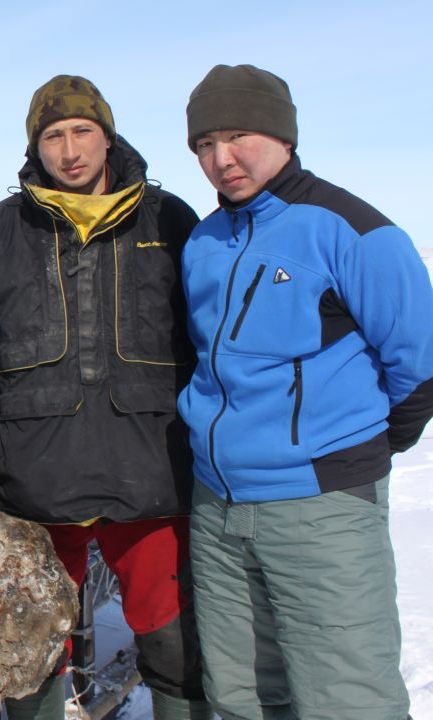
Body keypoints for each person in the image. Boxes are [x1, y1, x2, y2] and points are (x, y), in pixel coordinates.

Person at [0, 75, 212, 719]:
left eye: (82, 131)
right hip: (34, 480)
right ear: (37, 149)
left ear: (107, 137)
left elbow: (208, 337)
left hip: (152, 470)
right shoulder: (0, 231)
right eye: (53, 136)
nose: (69, 150)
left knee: (174, 637)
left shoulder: (169, 219)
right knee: (30, 639)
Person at [179, 64, 433, 720]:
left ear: (283, 136)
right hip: (217, 507)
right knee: (242, 696)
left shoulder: (353, 230)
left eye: (238, 136)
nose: (221, 159)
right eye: (204, 144)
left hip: (320, 509)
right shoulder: (204, 241)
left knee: (345, 698)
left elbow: (418, 367)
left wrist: (343, 451)